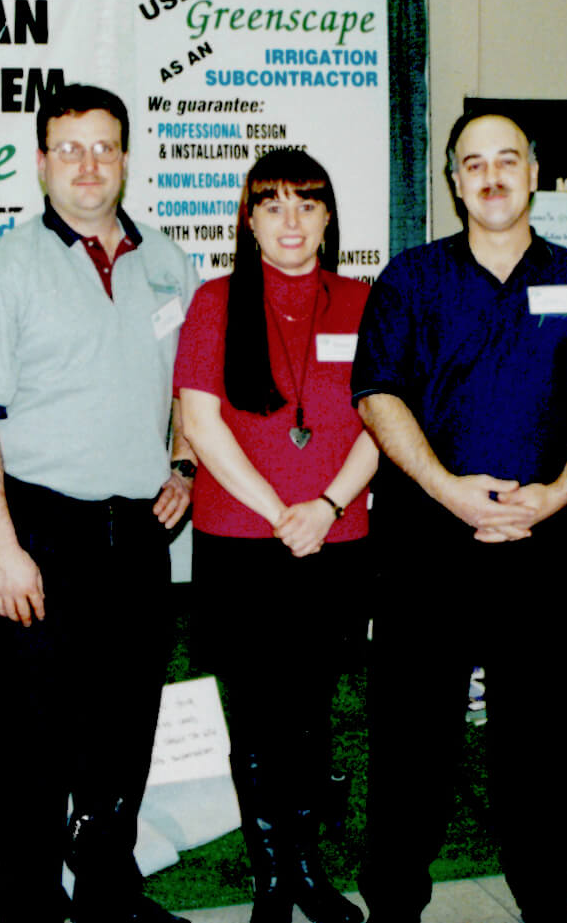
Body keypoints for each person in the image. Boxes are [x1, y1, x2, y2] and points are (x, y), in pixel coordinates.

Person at [350, 109, 567, 923]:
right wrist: (445, 487)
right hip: (426, 547)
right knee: (411, 741)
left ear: (534, 171)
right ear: (451, 183)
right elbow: (377, 395)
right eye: (471, 163)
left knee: (539, 743)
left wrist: (553, 496)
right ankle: (394, 905)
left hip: (546, 549)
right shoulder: (409, 281)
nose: (489, 176)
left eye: (505, 159)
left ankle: (547, 903)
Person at [0, 83, 198, 923]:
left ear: (125, 156)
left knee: (123, 727)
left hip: (138, 536)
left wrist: (185, 465)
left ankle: (106, 890)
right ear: (42, 160)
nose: (90, 165)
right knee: (28, 735)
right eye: (71, 148)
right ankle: (25, 899)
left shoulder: (166, 262)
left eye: (105, 147)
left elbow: (188, 391)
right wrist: (1, 547)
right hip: (37, 530)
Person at [175, 149, 375, 923]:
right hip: (239, 542)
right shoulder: (215, 301)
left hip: (337, 535)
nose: (290, 221)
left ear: (328, 216)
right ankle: (270, 878)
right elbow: (200, 421)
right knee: (255, 715)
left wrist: (322, 504)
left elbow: (384, 418)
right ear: (248, 219)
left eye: (306, 204)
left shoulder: (364, 302)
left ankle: (306, 866)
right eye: (271, 205)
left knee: (313, 710)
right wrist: (276, 510)